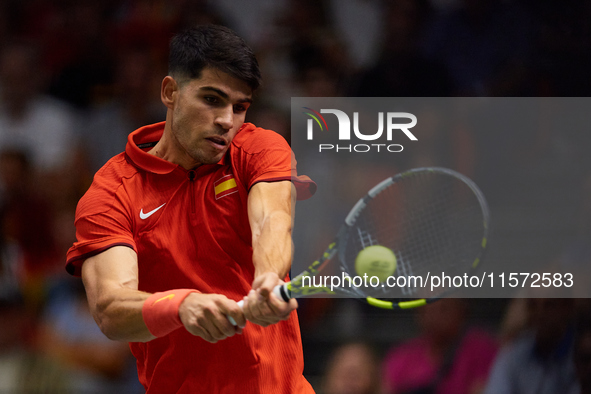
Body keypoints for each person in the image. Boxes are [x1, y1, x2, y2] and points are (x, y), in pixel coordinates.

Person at [65, 25, 316, 393]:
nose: (227, 121)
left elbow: (272, 220)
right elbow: (110, 306)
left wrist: (267, 276)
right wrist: (181, 306)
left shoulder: (259, 148)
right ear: (170, 92)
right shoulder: (113, 192)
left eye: (239, 107)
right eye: (212, 99)